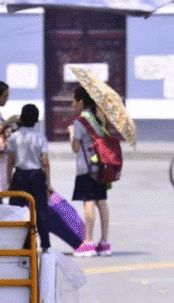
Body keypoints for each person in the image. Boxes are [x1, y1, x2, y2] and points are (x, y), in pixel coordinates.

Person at [69, 86, 111, 257]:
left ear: (81, 101)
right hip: (100, 166)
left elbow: (75, 147)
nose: (73, 104)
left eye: (74, 100)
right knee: (101, 201)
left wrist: (71, 134)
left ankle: (88, 242)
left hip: (86, 167)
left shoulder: (80, 122)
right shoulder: (99, 118)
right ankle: (104, 243)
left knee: (89, 201)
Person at [7, 104, 52, 252]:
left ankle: (17, 243)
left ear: (21, 117)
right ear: (37, 119)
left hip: (19, 176)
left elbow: (10, 161)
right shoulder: (40, 136)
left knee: (16, 211)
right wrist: (48, 182)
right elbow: (45, 161)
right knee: (41, 212)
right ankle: (45, 245)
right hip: (37, 176)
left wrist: (9, 180)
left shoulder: (14, 136)